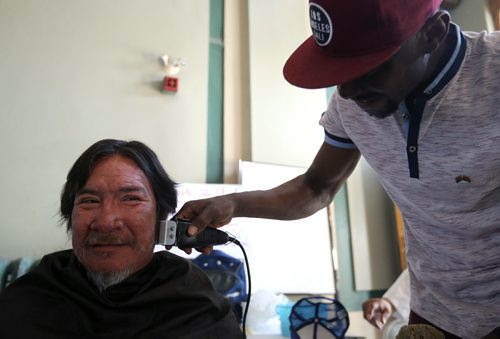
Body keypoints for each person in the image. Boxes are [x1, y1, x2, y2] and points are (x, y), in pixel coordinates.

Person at [175, 0, 500, 338]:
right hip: (435, 309)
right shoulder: (351, 105)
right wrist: (234, 204)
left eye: (368, 67)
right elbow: (316, 187)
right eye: (340, 72)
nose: (346, 90)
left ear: (433, 33)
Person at [0, 139, 243, 339]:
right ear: (70, 216)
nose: (106, 221)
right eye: (89, 201)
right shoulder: (28, 301)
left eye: (131, 199)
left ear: (162, 217)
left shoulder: (197, 308)